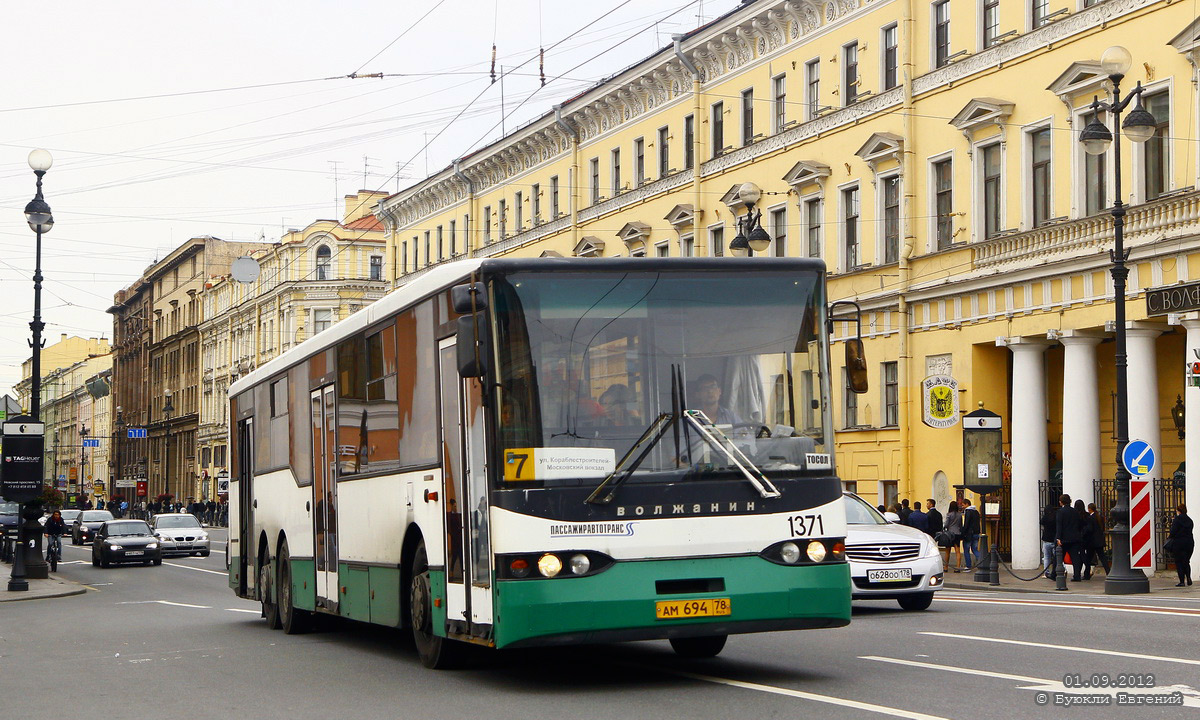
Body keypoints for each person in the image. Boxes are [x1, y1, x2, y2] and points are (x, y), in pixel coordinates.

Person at [1055, 493, 1085, 582]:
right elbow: (1080, 524)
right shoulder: (1075, 511)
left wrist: (1058, 538)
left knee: (1059, 558)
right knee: (1075, 558)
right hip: (1075, 538)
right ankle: (1077, 575)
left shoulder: (1060, 512)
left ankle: (1054, 574)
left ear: (1061, 502)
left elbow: (1059, 526)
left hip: (1064, 539)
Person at [1167, 503, 1194, 587]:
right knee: (1186, 561)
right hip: (1189, 542)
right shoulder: (1190, 520)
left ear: (1178, 511)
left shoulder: (1177, 520)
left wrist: (1169, 537)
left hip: (1179, 543)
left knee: (1179, 562)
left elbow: (1173, 531)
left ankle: (1182, 581)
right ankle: (1188, 577)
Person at [1085, 503, 1110, 574]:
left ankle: (1087, 574)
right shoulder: (1100, 517)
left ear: (1089, 509)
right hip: (1099, 540)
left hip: (1092, 541)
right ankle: (1108, 571)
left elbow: (1090, 529)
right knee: (1102, 557)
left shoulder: (1090, 518)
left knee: (1088, 558)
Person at [1074, 499, 1095, 580]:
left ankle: (1080, 572)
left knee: (1080, 556)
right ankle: (1085, 572)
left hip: (1078, 538)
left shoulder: (1075, 515)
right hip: (1087, 538)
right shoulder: (1087, 515)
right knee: (1084, 556)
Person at [961, 498, 981, 570]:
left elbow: (966, 524)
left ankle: (968, 566)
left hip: (969, 534)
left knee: (966, 550)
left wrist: (963, 532)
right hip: (976, 533)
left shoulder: (968, 512)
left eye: (963, 505)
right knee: (975, 549)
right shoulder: (976, 512)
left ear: (967, 504)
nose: (962, 506)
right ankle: (982, 563)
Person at [1039, 503, 1058, 579]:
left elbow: (1041, 522)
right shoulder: (1055, 517)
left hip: (1046, 540)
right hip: (1054, 540)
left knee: (1047, 557)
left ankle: (1046, 572)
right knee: (1057, 557)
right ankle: (1063, 569)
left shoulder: (1045, 518)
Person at [943, 501, 963, 571]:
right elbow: (961, 525)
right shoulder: (960, 515)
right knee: (957, 551)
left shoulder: (949, 514)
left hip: (950, 534)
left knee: (947, 551)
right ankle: (958, 567)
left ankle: (946, 567)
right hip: (957, 533)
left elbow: (946, 525)